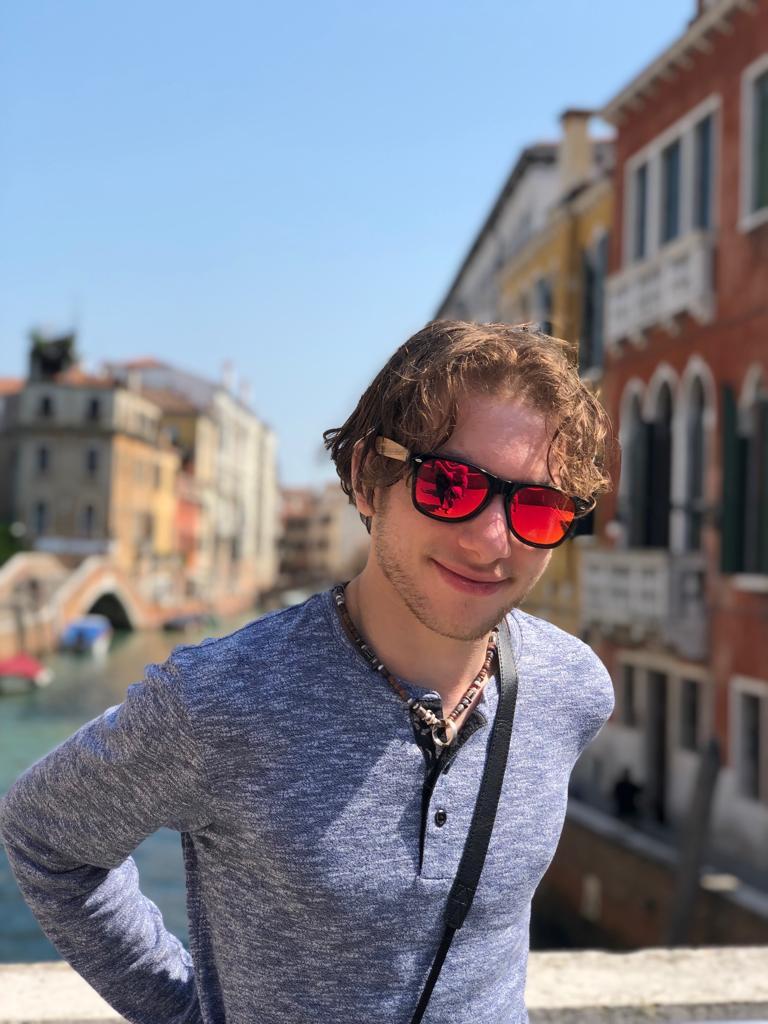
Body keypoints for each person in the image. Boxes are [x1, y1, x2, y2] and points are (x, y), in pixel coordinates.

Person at [0, 320, 616, 1024]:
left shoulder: (572, 690)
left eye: (537, 507)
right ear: (365, 480)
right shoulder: (218, 699)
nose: (490, 540)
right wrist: (185, 1011)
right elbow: (45, 838)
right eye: (449, 486)